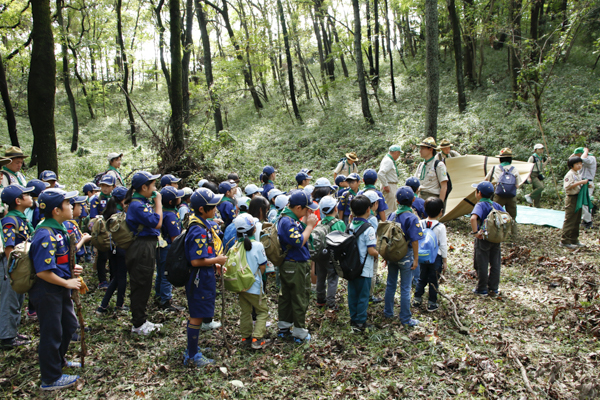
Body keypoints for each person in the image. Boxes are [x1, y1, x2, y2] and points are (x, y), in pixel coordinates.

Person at [29, 189, 84, 390]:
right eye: (68, 204)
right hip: (47, 290)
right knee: (51, 332)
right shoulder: (45, 233)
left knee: (68, 325)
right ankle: (50, 378)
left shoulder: (58, 229)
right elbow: (42, 271)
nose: (71, 206)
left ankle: (58, 361)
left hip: (58, 288)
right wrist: (67, 283)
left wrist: (71, 269)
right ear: (56, 210)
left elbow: (57, 260)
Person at [183, 188, 228, 366]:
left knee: (199, 314)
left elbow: (203, 256)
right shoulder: (199, 230)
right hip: (199, 278)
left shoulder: (202, 224)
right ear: (202, 209)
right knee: (197, 315)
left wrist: (214, 263)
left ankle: (193, 348)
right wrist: (217, 259)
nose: (216, 208)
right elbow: (195, 261)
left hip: (205, 274)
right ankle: (192, 355)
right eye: (213, 205)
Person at [124, 171, 164, 335]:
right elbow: (157, 222)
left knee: (145, 282)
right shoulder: (137, 205)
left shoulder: (141, 202)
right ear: (144, 187)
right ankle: (138, 324)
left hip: (146, 246)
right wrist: (158, 202)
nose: (155, 188)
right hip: (141, 247)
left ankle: (141, 320)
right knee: (141, 282)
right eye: (153, 185)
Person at [277, 190, 318, 343]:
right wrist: (309, 226)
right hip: (294, 265)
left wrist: (306, 220)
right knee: (299, 296)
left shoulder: (288, 217)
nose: (310, 211)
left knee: (286, 296)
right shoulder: (288, 221)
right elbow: (298, 241)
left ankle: (284, 326)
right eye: (308, 208)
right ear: (299, 208)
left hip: (290, 264)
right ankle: (299, 331)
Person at [0, 184, 35, 349]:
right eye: (27, 195)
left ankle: (13, 331)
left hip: (21, 267)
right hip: (13, 267)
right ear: (18, 201)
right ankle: (7, 337)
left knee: (18, 299)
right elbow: (9, 247)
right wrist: (12, 270)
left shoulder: (21, 217)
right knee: (10, 300)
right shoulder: (10, 220)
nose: (31, 197)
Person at [384, 187, 423, 327]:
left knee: (391, 284)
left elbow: (386, 237)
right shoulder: (412, 217)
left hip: (393, 255)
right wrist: (416, 259)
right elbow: (415, 240)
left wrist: (386, 256)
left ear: (396, 200)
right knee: (405, 287)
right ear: (413, 200)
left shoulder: (392, 215)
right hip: (406, 256)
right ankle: (405, 318)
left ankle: (388, 312)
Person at [231, 214, 270, 350]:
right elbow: (263, 267)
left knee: (245, 312)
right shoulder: (257, 245)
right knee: (262, 311)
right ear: (254, 230)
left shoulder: (235, 246)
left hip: (241, 287)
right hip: (254, 286)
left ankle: (245, 337)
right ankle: (257, 338)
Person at [96, 186, 130, 315]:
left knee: (116, 277)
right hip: (121, 249)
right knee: (120, 277)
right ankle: (118, 305)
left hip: (112, 248)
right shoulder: (120, 214)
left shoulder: (109, 211)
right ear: (123, 200)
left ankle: (103, 305)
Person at [347, 195, 378, 332]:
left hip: (351, 267)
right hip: (364, 268)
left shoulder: (350, 225)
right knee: (363, 296)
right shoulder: (369, 228)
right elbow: (371, 250)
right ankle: (360, 322)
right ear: (368, 209)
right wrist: (378, 254)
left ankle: (353, 319)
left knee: (352, 294)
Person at [470, 181, 505, 296]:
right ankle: (494, 287)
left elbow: (473, 218)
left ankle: (482, 288)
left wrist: (476, 233)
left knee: (482, 263)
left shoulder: (480, 205)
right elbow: (506, 218)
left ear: (479, 193)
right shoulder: (497, 205)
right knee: (495, 263)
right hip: (496, 239)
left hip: (483, 239)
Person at [413, 198, 447, 312]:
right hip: (435, 257)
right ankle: (432, 302)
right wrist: (445, 260)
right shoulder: (440, 227)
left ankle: (417, 299)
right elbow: (443, 245)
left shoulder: (421, 223)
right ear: (440, 212)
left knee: (421, 278)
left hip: (422, 255)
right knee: (434, 280)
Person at [156, 186, 186, 312]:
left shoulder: (162, 211)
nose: (180, 198)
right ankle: (166, 301)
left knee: (160, 272)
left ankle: (159, 295)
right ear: (171, 202)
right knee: (166, 274)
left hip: (160, 247)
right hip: (168, 248)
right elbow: (175, 238)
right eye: (177, 197)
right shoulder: (170, 216)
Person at [314, 196, 345, 310]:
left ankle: (320, 300)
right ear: (336, 209)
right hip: (332, 256)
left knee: (320, 278)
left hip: (320, 255)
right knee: (332, 279)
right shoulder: (339, 223)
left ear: (322, 211)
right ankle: (331, 303)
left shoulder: (319, 223)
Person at [485, 148, 522, 239]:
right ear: (510, 159)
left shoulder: (495, 168)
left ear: (500, 159)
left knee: (495, 214)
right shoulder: (514, 170)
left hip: (498, 195)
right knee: (512, 216)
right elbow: (518, 184)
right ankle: (514, 235)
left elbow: (486, 180)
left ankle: (493, 233)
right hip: (511, 197)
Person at [90, 174, 116, 290]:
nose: (105, 188)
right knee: (102, 256)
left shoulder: (115, 198)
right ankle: (102, 281)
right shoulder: (96, 199)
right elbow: (93, 217)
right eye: (102, 185)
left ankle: (113, 280)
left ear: (113, 187)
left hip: (113, 230)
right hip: (102, 231)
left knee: (113, 256)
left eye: (107, 186)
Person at [561, 157, 588, 249]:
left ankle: (574, 239)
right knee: (570, 219)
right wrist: (580, 182)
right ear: (572, 165)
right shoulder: (570, 174)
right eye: (577, 164)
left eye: (580, 163)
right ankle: (565, 240)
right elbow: (568, 186)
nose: (579, 165)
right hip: (571, 198)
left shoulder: (577, 173)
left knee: (577, 219)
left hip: (578, 197)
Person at [362, 191, 383, 304]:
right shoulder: (373, 219)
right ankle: (369, 296)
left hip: (361, 250)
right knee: (372, 272)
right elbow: (374, 235)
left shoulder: (358, 215)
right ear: (374, 204)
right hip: (370, 250)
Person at [414, 138, 449, 202]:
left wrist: (439, 204)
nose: (420, 151)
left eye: (422, 148)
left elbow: (444, 187)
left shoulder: (438, 165)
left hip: (433, 199)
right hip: (420, 197)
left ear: (430, 149)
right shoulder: (420, 165)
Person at [572, 147, 596, 229]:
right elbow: (570, 161)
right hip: (581, 182)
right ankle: (584, 220)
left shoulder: (590, 158)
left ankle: (588, 222)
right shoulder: (581, 160)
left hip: (587, 183)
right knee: (581, 202)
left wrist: (585, 151)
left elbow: (583, 159)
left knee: (585, 202)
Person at [64, 195, 91, 263]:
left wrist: (81, 236)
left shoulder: (72, 222)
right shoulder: (68, 225)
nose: (81, 208)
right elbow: (73, 248)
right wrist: (83, 239)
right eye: (78, 205)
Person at [378, 145, 402, 217]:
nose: (398, 156)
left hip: (391, 185)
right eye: (399, 154)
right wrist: (386, 185)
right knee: (388, 209)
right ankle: (386, 226)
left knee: (393, 208)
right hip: (389, 185)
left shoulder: (388, 160)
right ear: (396, 153)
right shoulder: (388, 161)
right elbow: (381, 173)